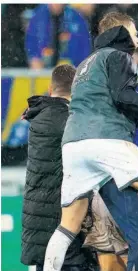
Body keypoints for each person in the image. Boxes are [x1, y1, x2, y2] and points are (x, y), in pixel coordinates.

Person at [42, 12, 138, 271]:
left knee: (67, 226)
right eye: (134, 31)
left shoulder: (86, 63)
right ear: (122, 32)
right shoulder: (119, 56)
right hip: (106, 138)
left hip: (73, 144)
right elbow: (123, 96)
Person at [21, 64, 98, 271]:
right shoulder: (71, 120)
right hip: (62, 217)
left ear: (50, 89)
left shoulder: (40, 116)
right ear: (78, 90)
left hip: (39, 215)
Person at [25, 4, 91, 69]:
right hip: (44, 66)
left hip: (70, 68)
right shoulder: (38, 16)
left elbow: (84, 44)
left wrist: (79, 65)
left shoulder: (75, 17)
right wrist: (34, 58)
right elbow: (31, 41)